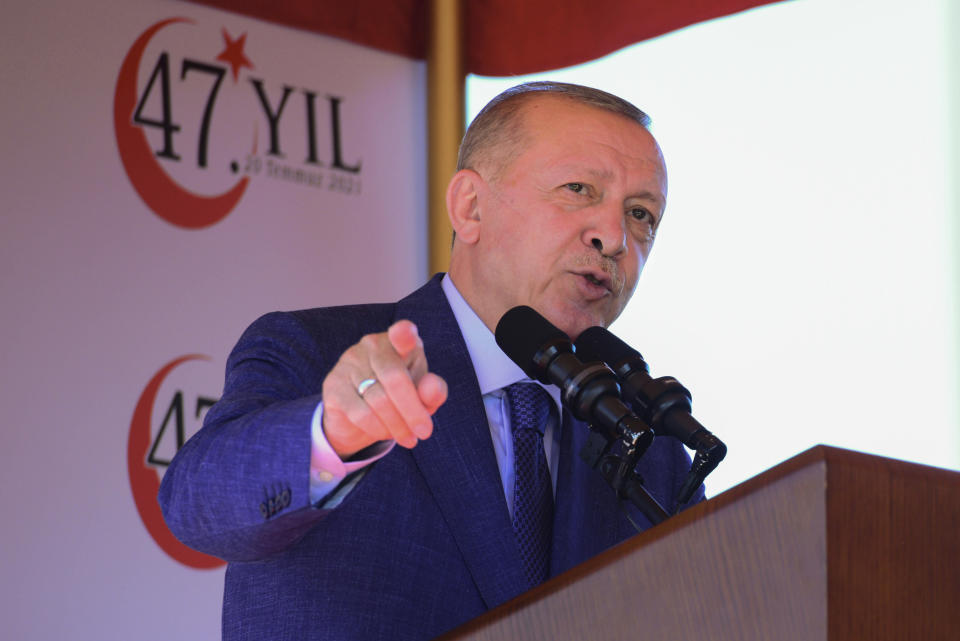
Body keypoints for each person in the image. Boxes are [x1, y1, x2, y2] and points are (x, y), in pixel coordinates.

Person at [159, 81, 703, 641]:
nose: (614, 238)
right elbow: (197, 508)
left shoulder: (649, 446)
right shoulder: (316, 351)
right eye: (578, 189)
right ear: (470, 207)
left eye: (641, 214)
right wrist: (330, 436)